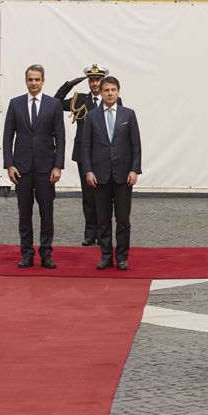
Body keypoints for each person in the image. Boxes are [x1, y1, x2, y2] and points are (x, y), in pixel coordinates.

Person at [2, 64, 65, 269]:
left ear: (43, 80)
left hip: (46, 168)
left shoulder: (53, 105)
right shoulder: (15, 104)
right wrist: (9, 164)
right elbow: (8, 135)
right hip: (22, 169)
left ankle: (46, 253)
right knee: (24, 212)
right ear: (26, 80)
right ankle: (27, 253)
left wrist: (58, 166)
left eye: (37, 79)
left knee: (47, 212)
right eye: (30, 79)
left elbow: (60, 137)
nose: (34, 83)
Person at [82, 76, 142, 271]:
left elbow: (136, 145)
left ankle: (122, 257)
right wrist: (88, 171)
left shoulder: (128, 115)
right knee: (103, 220)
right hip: (100, 176)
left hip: (124, 176)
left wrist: (134, 169)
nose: (109, 93)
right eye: (106, 90)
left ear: (118, 91)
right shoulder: (91, 116)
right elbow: (86, 147)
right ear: (101, 92)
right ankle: (106, 256)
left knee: (123, 219)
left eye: (113, 90)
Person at [54, 64, 110, 246]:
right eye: (92, 79)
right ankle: (89, 232)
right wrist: (69, 84)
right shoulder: (79, 100)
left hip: (103, 154)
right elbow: (55, 103)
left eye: (98, 79)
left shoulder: (111, 99)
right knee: (88, 196)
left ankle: (103, 234)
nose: (95, 83)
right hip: (84, 153)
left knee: (103, 195)